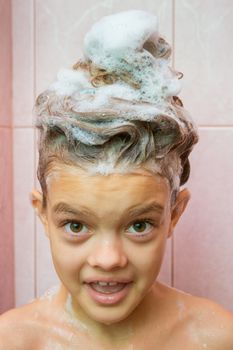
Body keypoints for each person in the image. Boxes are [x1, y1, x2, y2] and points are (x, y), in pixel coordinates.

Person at [0, 10, 233, 350]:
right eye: (76, 226)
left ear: (174, 214)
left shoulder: (216, 338)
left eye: (139, 225)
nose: (108, 259)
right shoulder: (14, 341)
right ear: (43, 214)